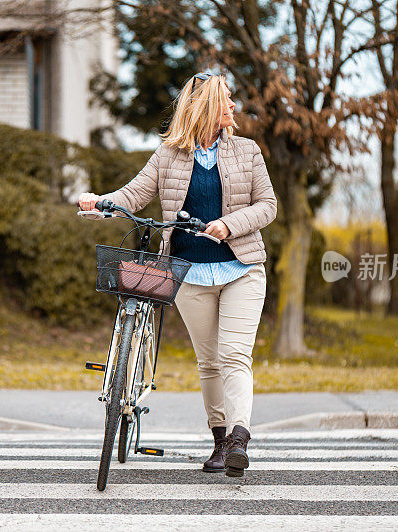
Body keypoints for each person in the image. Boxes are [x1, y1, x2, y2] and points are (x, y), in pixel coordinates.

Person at [78, 72, 277, 478]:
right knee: (208, 362)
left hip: (242, 268)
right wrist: (102, 202)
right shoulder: (169, 155)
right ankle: (220, 441)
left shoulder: (247, 151)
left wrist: (230, 224)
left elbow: (267, 205)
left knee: (234, 355)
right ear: (205, 107)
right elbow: (134, 194)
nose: (233, 107)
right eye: (226, 100)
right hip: (190, 273)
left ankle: (240, 438)